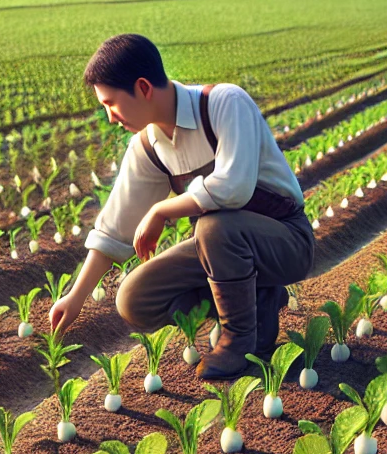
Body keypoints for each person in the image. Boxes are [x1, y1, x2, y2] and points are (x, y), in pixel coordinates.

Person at [48, 33, 314, 380]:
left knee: (214, 227)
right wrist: (75, 298)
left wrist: (162, 210)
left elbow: (233, 187)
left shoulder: (223, 104)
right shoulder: (148, 146)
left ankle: (240, 341)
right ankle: (259, 298)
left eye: (111, 103)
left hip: (287, 241)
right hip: (222, 249)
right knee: (134, 298)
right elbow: (116, 228)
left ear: (143, 87)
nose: (110, 117)